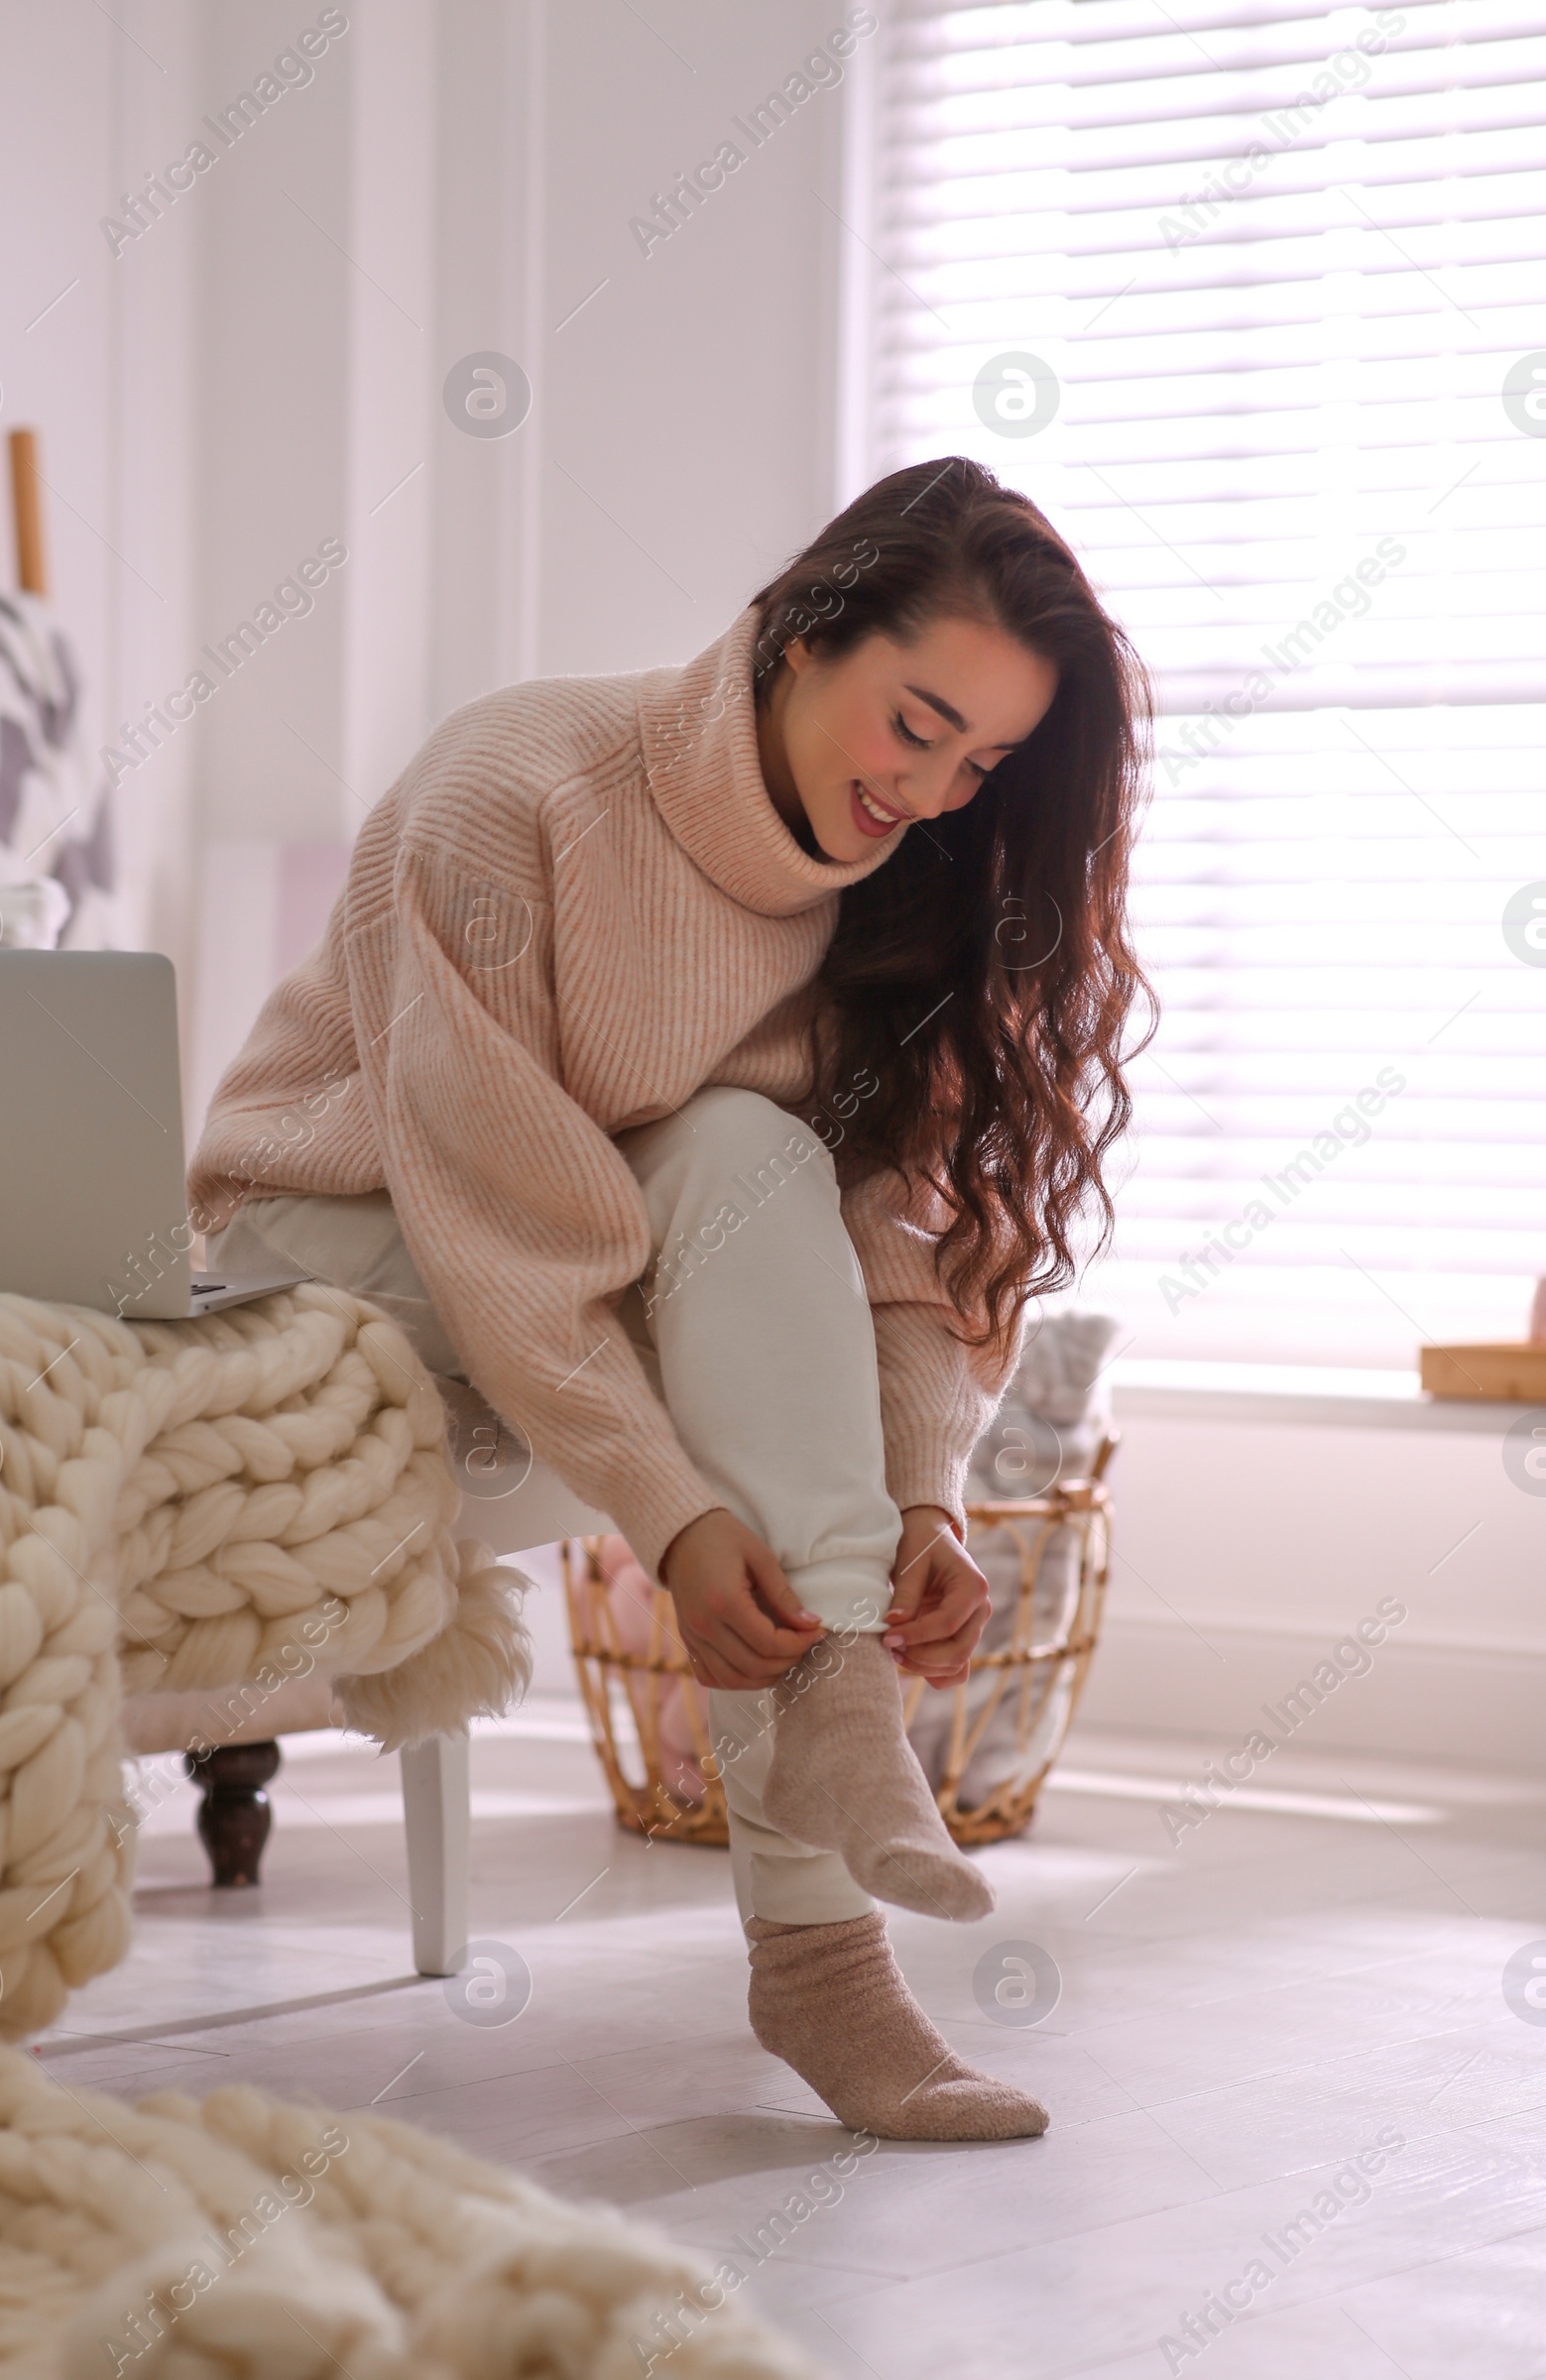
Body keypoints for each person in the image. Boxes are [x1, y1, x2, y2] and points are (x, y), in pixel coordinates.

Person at [189, 454, 1152, 2142]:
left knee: (739, 1146)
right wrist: (673, 1511)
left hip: (633, 1270)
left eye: (982, 762)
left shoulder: (907, 894)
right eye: (913, 724)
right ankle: (831, 1882)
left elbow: (903, 1250)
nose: (931, 792)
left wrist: (922, 1495)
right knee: (728, 1155)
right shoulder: (516, 788)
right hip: (347, 1234)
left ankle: (821, 1901)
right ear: (804, 635)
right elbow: (500, 1214)